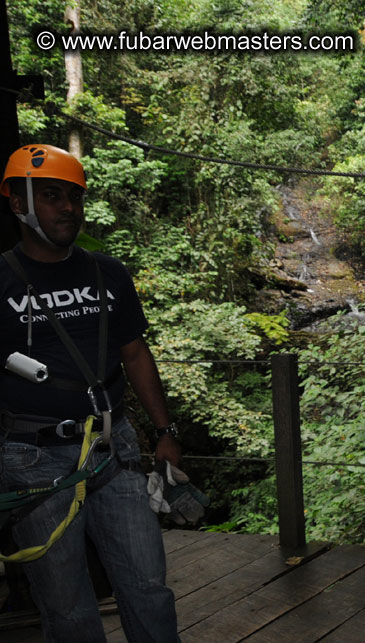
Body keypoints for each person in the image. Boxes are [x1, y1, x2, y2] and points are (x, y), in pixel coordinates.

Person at [0, 144, 181, 642]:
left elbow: (135, 353)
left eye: (75, 198)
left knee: (147, 584)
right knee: (66, 605)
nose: (69, 208)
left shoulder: (108, 273)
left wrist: (165, 432)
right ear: (18, 204)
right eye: (53, 196)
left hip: (113, 447)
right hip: (34, 457)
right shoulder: (1, 282)